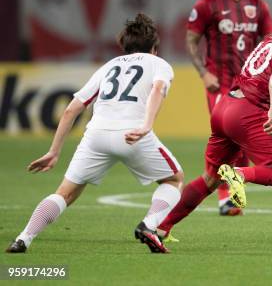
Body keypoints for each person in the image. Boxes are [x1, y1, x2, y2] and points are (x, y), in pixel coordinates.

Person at [5, 13, 183, 254]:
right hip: (132, 133)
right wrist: (147, 125)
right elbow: (158, 88)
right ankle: (149, 226)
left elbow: (71, 109)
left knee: (64, 193)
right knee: (174, 179)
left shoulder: (108, 67)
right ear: (154, 48)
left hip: (96, 134)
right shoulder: (159, 64)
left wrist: (53, 151)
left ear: (124, 46)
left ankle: (23, 238)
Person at [157, 0, 272, 236]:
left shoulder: (271, 39)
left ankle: (159, 228)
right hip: (248, 115)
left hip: (225, 108)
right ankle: (240, 174)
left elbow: (260, 88)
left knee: (210, 179)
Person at [186, 0, 272, 216]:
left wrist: (267, 75)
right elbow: (191, 40)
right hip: (219, 83)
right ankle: (224, 194)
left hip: (248, 86)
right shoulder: (207, 4)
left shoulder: (259, 6)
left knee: (242, 138)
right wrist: (203, 72)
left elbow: (271, 42)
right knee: (227, 134)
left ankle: (229, 191)